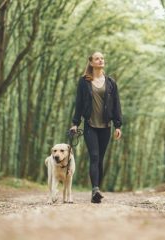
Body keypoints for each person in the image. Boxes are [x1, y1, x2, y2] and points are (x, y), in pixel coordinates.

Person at [70, 52, 122, 204]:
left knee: (100, 160)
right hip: (90, 125)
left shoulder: (111, 82)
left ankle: (97, 188)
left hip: (106, 126)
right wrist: (75, 123)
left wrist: (118, 125)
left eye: (102, 58)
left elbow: (116, 104)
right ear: (91, 63)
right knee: (94, 156)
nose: (101, 60)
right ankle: (95, 190)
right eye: (97, 58)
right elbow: (79, 103)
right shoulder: (84, 82)